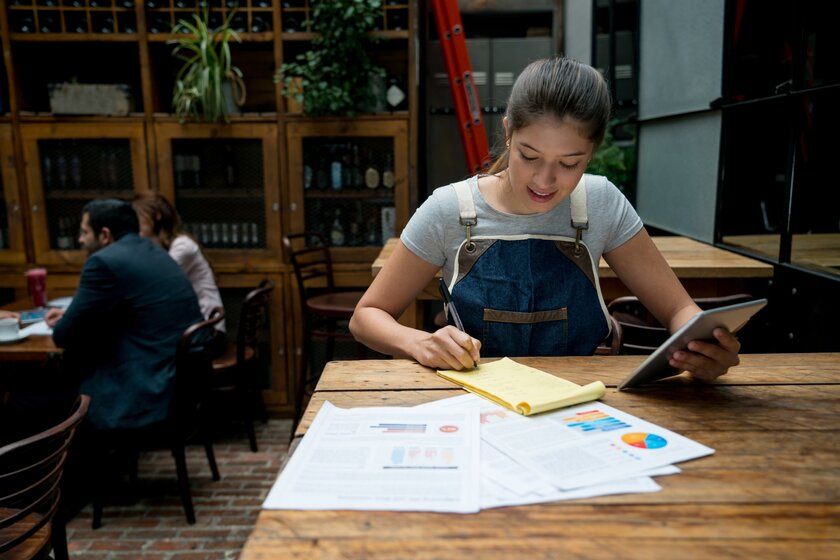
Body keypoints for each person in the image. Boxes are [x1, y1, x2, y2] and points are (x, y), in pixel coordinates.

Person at [349, 56, 740, 382]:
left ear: (591, 153)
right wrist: (418, 343)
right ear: (508, 132)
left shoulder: (601, 202)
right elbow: (367, 316)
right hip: (477, 404)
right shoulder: (450, 209)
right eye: (529, 156)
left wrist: (703, 346)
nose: (544, 180)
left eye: (570, 164)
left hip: (585, 402)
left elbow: (678, 310)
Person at [45, 198, 204, 430]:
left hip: (147, 383)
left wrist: (70, 319)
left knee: (35, 397)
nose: (80, 239)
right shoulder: (154, 251)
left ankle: (64, 464)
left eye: (84, 232)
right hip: (181, 376)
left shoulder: (102, 261)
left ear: (105, 235)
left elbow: (63, 335)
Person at [132, 192, 226, 342]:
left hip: (207, 333)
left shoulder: (182, 246)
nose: (134, 223)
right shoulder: (162, 246)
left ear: (156, 216)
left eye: (138, 216)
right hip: (189, 328)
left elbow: (154, 283)